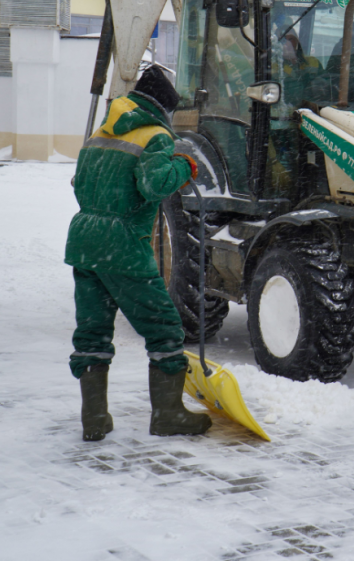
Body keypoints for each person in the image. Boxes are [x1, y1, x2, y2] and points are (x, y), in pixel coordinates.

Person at [64, 66, 212, 442]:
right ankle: (167, 414)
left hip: (85, 241)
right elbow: (154, 184)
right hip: (123, 244)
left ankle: (94, 419)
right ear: (163, 107)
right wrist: (184, 164)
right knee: (164, 328)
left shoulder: (102, 131)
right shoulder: (157, 136)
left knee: (93, 332)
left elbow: (78, 182)